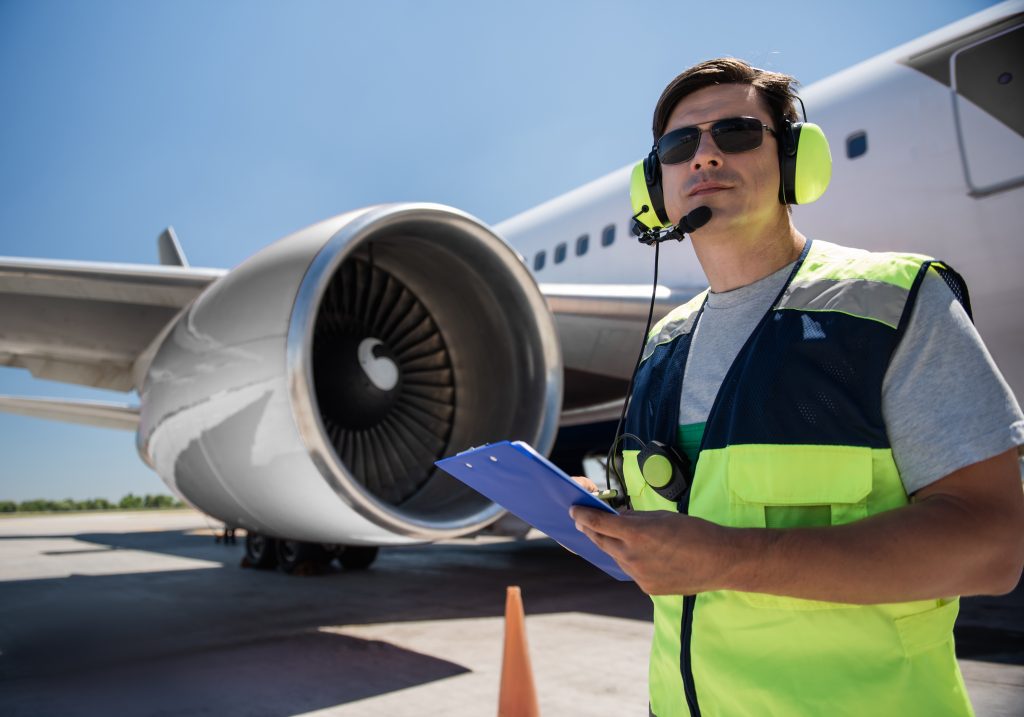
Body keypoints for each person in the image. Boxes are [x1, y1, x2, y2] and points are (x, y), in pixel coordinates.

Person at [569, 58, 1024, 717]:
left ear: (793, 163)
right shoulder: (665, 345)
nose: (704, 155)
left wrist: (734, 560)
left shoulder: (893, 302)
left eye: (736, 133)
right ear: (655, 187)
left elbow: (993, 547)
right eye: (678, 145)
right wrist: (604, 512)